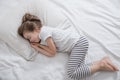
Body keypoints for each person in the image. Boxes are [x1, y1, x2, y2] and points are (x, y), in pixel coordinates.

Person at [18, 13, 119, 80]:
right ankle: (102, 61)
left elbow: (52, 53)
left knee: (72, 73)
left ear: (35, 29)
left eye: (29, 37)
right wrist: (38, 46)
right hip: (76, 45)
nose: (29, 40)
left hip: (78, 43)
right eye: (27, 39)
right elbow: (51, 51)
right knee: (80, 71)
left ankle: (100, 65)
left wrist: (38, 47)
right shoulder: (43, 37)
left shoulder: (44, 32)